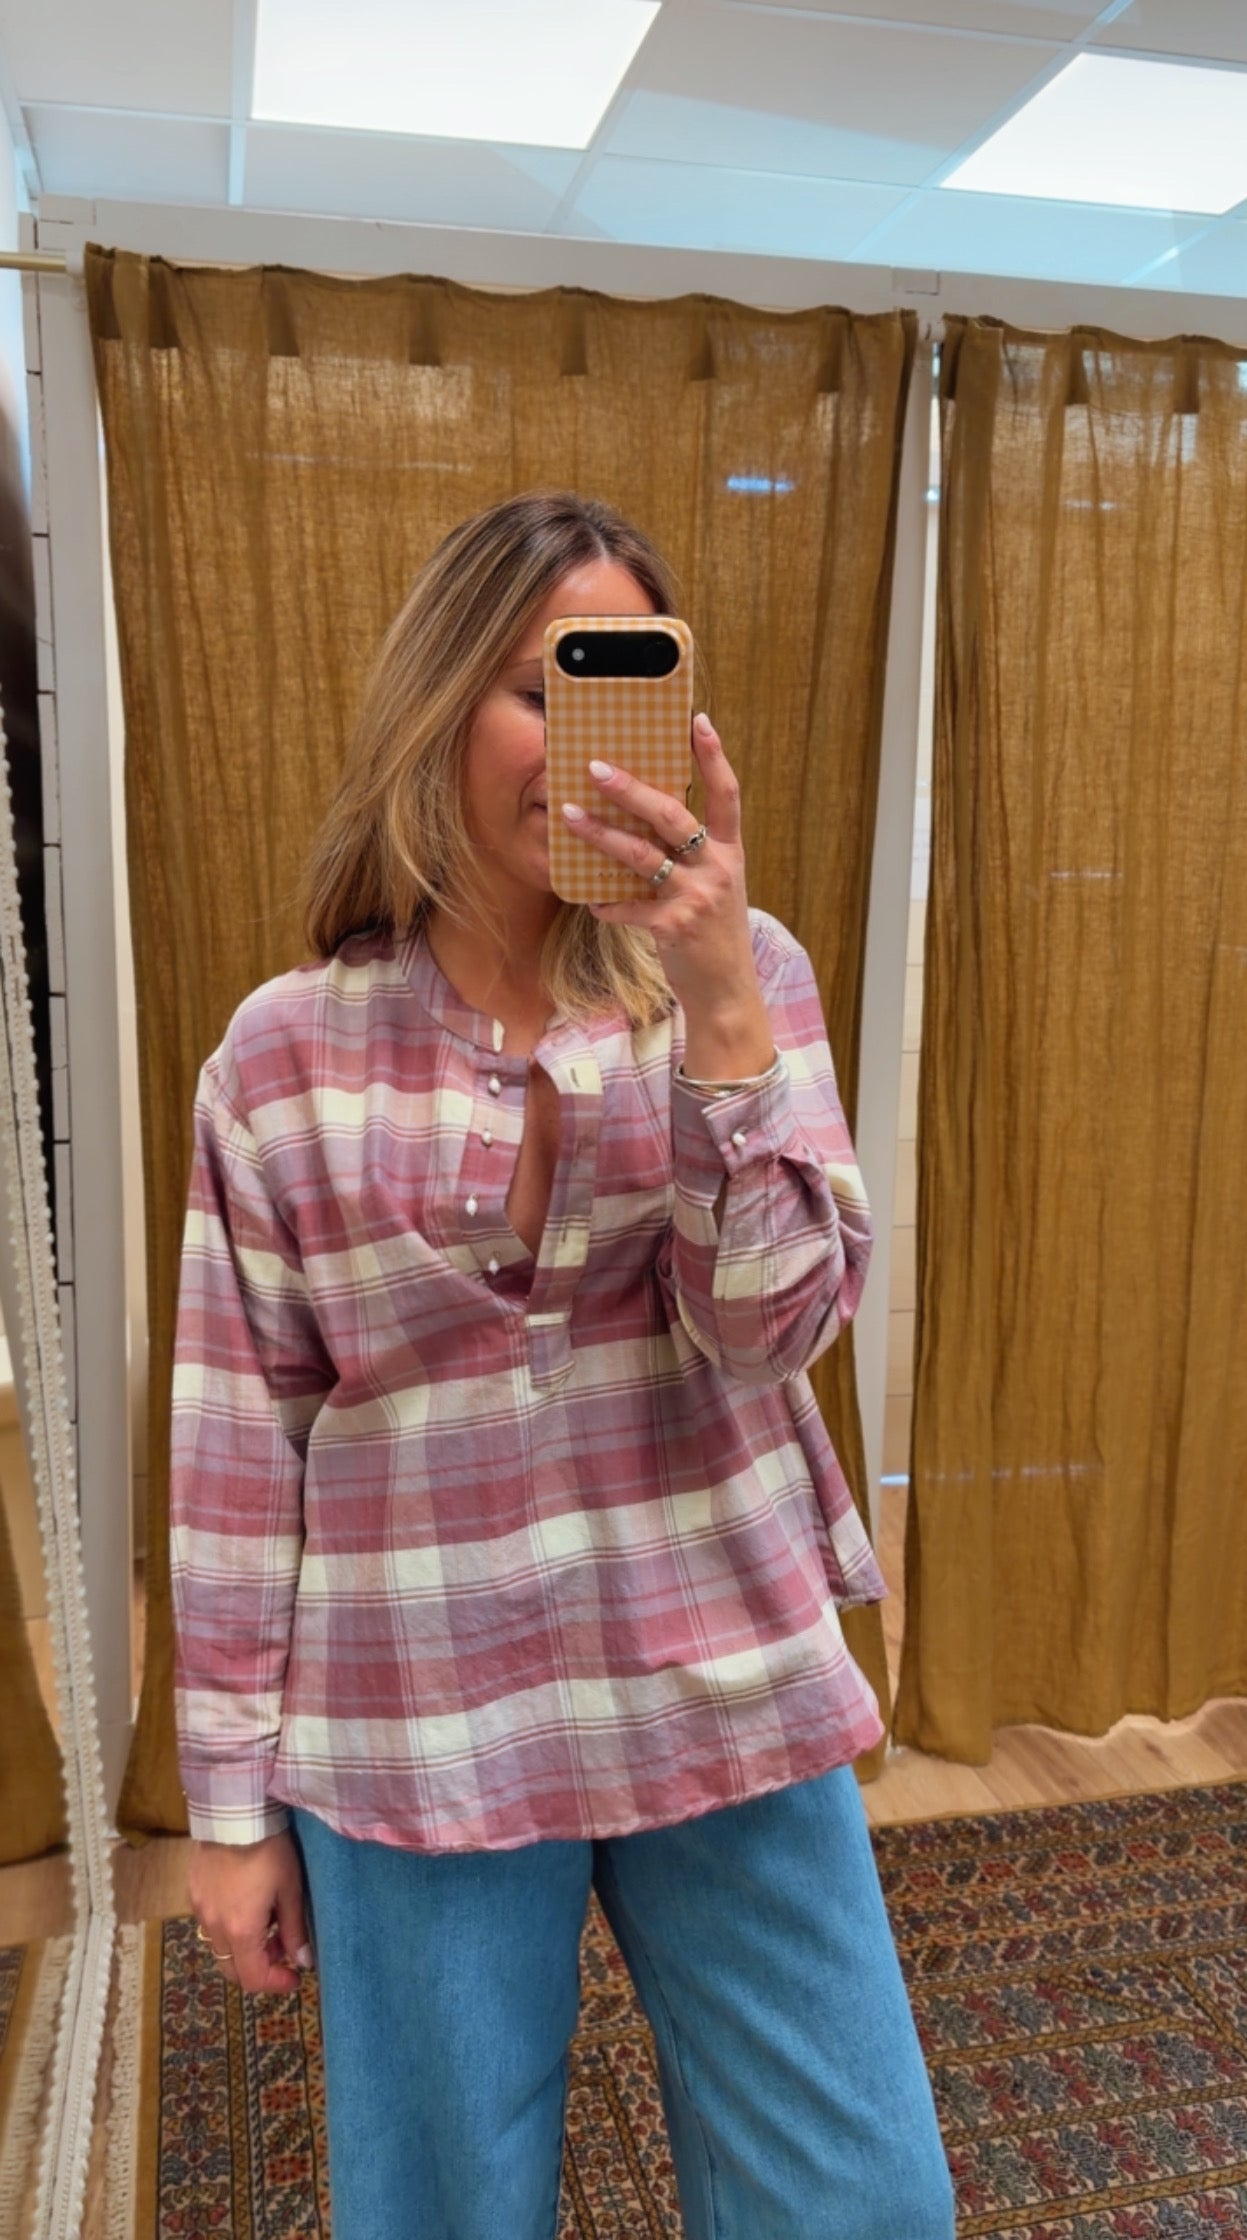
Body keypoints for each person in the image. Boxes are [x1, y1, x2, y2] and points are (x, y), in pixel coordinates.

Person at [172, 490, 955, 2240]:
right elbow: (239, 1454)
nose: (585, 742)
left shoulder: (743, 977)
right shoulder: (285, 1055)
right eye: (542, 688)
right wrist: (229, 1813)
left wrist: (723, 1014)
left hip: (721, 1670)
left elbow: (772, 1333)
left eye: (623, 684)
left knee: (864, 2200)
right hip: (415, 1712)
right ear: (440, 702)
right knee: (440, 2210)